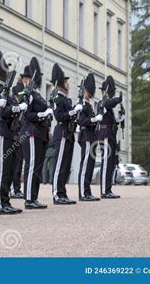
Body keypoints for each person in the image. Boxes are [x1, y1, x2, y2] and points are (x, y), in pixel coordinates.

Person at [0, 48, 25, 214]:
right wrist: (17, 108)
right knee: (2, 169)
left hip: (10, 132)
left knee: (9, 169)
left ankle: (5, 200)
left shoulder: (7, 90)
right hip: (1, 132)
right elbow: (2, 111)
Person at [20, 57, 51, 209]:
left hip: (41, 133)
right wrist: (42, 115)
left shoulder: (37, 94)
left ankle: (34, 197)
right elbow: (26, 115)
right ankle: (28, 198)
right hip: (30, 132)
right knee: (31, 165)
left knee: (37, 166)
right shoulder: (27, 93)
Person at [51, 63, 80, 205]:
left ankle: (63, 192)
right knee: (59, 165)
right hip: (62, 132)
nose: (68, 84)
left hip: (69, 133)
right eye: (66, 81)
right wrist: (73, 111)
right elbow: (59, 116)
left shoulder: (66, 99)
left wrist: (75, 110)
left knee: (66, 166)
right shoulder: (57, 98)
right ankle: (57, 194)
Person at [97, 75, 123, 199]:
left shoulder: (108, 104)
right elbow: (109, 103)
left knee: (111, 163)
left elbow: (111, 120)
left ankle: (108, 188)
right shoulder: (104, 102)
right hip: (105, 134)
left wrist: (119, 119)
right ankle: (104, 190)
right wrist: (118, 99)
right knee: (106, 162)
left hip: (111, 134)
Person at [77, 73, 101, 201]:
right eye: (87, 91)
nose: (89, 94)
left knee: (90, 166)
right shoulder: (82, 104)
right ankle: (83, 193)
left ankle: (87, 191)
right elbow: (82, 121)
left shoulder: (89, 105)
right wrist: (94, 119)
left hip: (92, 137)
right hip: (86, 136)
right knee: (85, 165)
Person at [10, 80, 25, 199]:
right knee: (13, 165)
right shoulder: (14, 103)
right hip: (14, 136)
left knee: (18, 164)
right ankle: (13, 188)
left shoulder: (21, 104)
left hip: (20, 136)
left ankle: (16, 188)